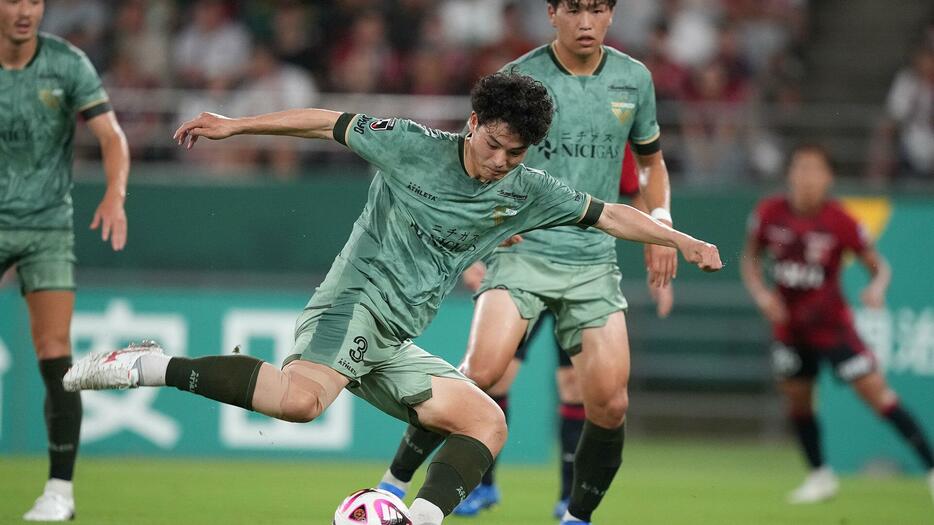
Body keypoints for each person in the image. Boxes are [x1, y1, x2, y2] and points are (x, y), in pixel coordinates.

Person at [63, 72, 722, 525]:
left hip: (396, 336)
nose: (499, 161)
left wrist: (682, 238)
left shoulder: (527, 186)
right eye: (492, 144)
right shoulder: (410, 145)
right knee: (301, 402)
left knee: (487, 422)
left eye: (513, 153)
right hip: (354, 302)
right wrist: (236, 127)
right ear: (472, 124)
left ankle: (419, 515)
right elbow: (326, 123)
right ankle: (151, 364)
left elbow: (606, 214)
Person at [377, 2, 676, 523]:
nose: (587, 22)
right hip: (524, 252)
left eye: (598, 9)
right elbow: (478, 162)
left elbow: (650, 164)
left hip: (592, 262)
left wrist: (662, 224)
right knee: (481, 374)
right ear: (552, 13)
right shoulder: (519, 79)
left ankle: (575, 515)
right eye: (575, 9)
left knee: (609, 405)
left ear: (611, 14)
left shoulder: (634, 79)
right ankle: (392, 486)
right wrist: (476, 240)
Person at [741, 143, 934, 504]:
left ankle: (931, 468)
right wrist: (763, 296)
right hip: (790, 329)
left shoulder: (840, 221)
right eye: (800, 169)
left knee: (878, 394)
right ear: (790, 174)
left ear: (829, 177)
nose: (807, 178)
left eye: (815, 170)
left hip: (833, 328)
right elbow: (750, 258)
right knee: (798, 400)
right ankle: (819, 476)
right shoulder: (769, 213)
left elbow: (879, 268)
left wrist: (876, 289)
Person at [0, 0, 131, 521]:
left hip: (47, 227)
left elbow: (111, 136)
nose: (25, 10)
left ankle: (59, 492)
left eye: (35, 0)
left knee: (57, 354)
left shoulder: (67, 63)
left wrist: (115, 193)